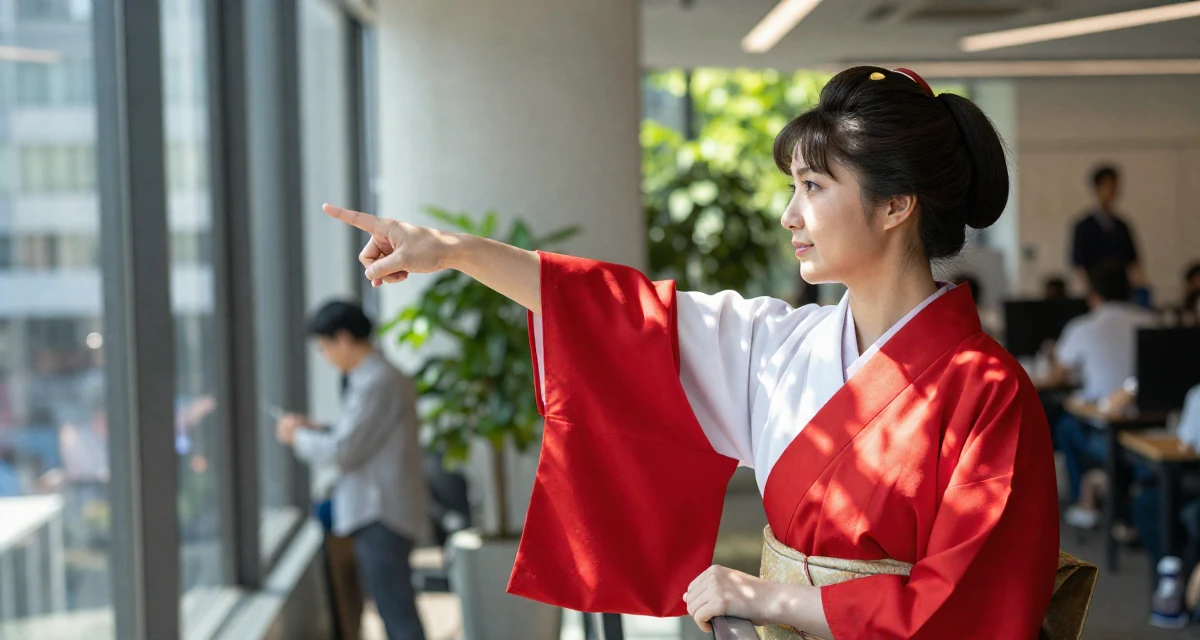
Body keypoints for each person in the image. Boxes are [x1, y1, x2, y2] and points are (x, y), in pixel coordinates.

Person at [323, 66, 1063, 639]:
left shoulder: (989, 392)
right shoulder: (785, 344)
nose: (789, 214)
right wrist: (456, 251)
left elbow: (974, 607)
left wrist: (772, 597)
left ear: (898, 205)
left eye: (812, 185)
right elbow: (622, 315)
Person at [276, 301, 428, 640]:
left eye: (324, 347)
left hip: (381, 512)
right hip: (386, 507)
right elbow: (361, 437)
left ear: (343, 339)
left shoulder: (376, 381)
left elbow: (344, 452)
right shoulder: (380, 377)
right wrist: (319, 429)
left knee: (396, 612)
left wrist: (296, 436)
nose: (326, 356)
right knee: (395, 607)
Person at [1051, 261, 1159, 529]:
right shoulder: (1154, 321)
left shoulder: (1083, 327)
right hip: (1152, 427)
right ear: (1131, 291)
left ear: (1093, 295)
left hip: (1107, 432)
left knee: (1065, 427)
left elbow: (1058, 376)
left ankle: (1084, 501)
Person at [1070, 165, 1143, 294]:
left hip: (1122, 291)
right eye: (1109, 186)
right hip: (1096, 290)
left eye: (1115, 186)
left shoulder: (1122, 225)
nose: (1113, 191)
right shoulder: (1083, 227)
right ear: (1097, 188)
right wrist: (1090, 292)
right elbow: (1079, 265)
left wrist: (1138, 287)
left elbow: (1133, 262)